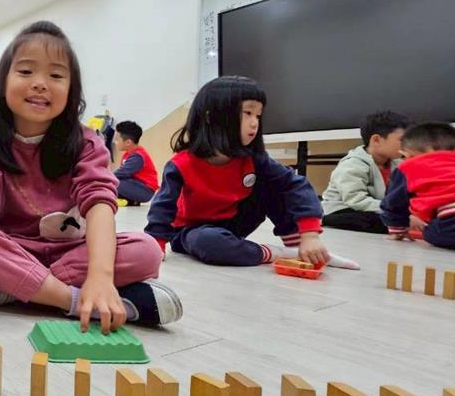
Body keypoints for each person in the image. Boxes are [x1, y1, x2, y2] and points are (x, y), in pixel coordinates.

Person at [0, 21, 181, 333]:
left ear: (71, 90)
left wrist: (100, 276)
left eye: (56, 75)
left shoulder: (86, 142)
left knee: (148, 251)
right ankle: (72, 300)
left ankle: (7, 288)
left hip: (72, 253)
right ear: (3, 82)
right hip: (14, 248)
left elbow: (99, 205)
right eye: (26, 71)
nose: (40, 83)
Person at [146, 75, 357, 268]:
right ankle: (278, 253)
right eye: (247, 113)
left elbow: (296, 185)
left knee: (276, 183)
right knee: (208, 241)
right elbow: (163, 207)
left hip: (235, 223)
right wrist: (157, 243)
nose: (255, 123)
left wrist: (310, 236)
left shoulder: (253, 159)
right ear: (211, 117)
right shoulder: (181, 164)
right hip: (192, 232)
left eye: (258, 115)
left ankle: (299, 246)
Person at [320, 110, 409, 234]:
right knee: (376, 221)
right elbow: (356, 200)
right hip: (344, 210)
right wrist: (395, 212)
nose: (408, 145)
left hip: (377, 208)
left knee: (397, 219)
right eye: (402, 140)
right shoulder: (353, 164)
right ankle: (323, 220)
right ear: (376, 140)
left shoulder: (398, 164)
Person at [381, 122, 455, 249]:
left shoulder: (408, 168)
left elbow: (393, 203)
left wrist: (398, 229)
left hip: (450, 224)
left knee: (430, 232)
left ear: (408, 155)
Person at [112, 120, 159, 205]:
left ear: (128, 142)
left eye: (117, 140)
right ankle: (131, 201)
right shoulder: (128, 154)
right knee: (111, 182)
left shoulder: (138, 156)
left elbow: (122, 173)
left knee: (110, 182)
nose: (115, 142)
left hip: (145, 190)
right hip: (136, 185)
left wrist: (103, 177)